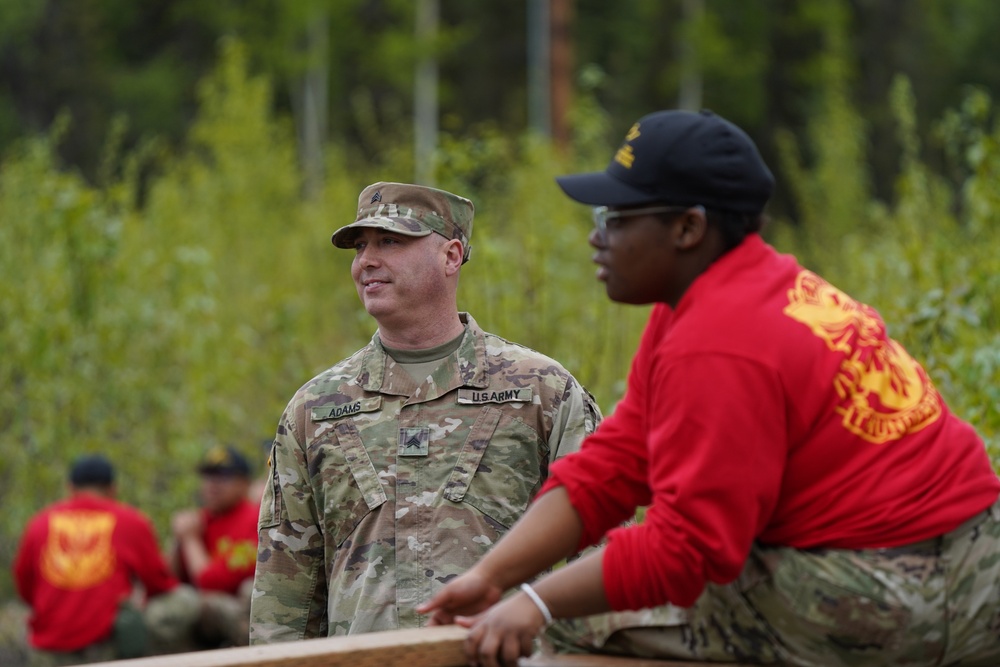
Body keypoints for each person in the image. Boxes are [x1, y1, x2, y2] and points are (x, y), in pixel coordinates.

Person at [418, 109, 1000, 667]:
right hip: (957, 559)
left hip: (919, 590)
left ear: (688, 227)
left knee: (575, 622)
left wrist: (535, 603)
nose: (598, 238)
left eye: (616, 219)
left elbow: (686, 548)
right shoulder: (728, 295)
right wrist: (492, 576)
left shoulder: (722, 341)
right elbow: (614, 466)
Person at [249, 181, 602, 642]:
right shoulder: (316, 409)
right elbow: (285, 593)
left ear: (452, 256)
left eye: (390, 241)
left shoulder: (541, 390)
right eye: (360, 247)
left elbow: (598, 553)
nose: (366, 261)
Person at [13, 455, 187, 665]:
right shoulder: (131, 521)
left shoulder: (39, 523)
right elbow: (159, 584)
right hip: (104, 649)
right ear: (113, 489)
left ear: (69, 488)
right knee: (185, 599)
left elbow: (24, 586)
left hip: (46, 650)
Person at [169, 444, 259, 648]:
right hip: (210, 623)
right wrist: (178, 541)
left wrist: (190, 540)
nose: (213, 485)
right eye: (208, 477)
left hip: (243, 616)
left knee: (208, 605)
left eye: (223, 477)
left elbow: (211, 582)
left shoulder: (254, 519)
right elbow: (169, 579)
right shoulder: (201, 520)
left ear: (243, 484)